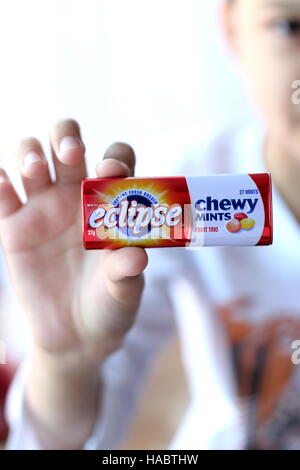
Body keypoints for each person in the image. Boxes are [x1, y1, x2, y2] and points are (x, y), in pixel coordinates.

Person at [2, 0, 300, 450]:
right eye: (289, 25)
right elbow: (64, 440)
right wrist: (66, 364)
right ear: (232, 29)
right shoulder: (186, 185)